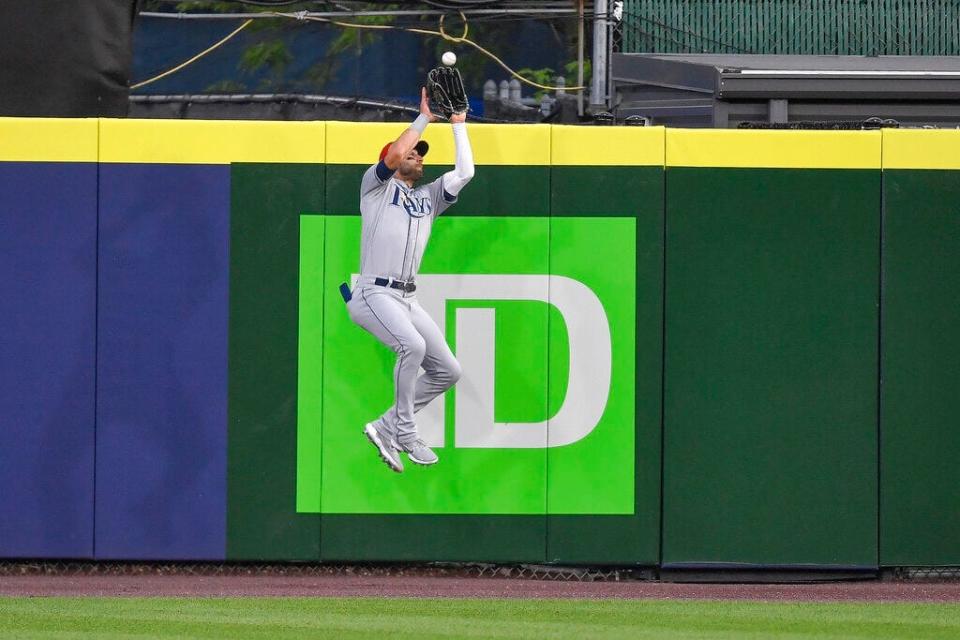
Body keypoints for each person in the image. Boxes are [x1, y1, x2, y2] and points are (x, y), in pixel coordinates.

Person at [345, 87, 474, 473]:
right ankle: (404, 431)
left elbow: (466, 172)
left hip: (405, 298)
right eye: (413, 152)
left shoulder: (430, 196)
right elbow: (396, 154)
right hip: (372, 292)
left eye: (421, 154)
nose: (417, 157)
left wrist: (458, 125)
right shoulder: (375, 188)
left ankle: (386, 426)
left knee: (448, 370)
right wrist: (422, 120)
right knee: (412, 347)